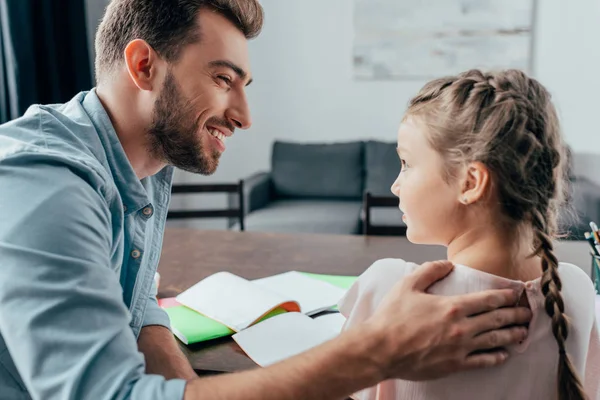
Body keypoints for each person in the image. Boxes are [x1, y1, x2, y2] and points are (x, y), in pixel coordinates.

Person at [0, 1, 531, 399]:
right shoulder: (45, 183)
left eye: (244, 83)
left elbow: (138, 310)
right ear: (143, 66)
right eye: (223, 79)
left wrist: (187, 386)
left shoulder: (148, 164)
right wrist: (377, 351)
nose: (244, 114)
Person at [339, 69, 600, 400]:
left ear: (471, 182)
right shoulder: (573, 290)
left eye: (406, 163)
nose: (395, 184)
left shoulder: (390, 287)